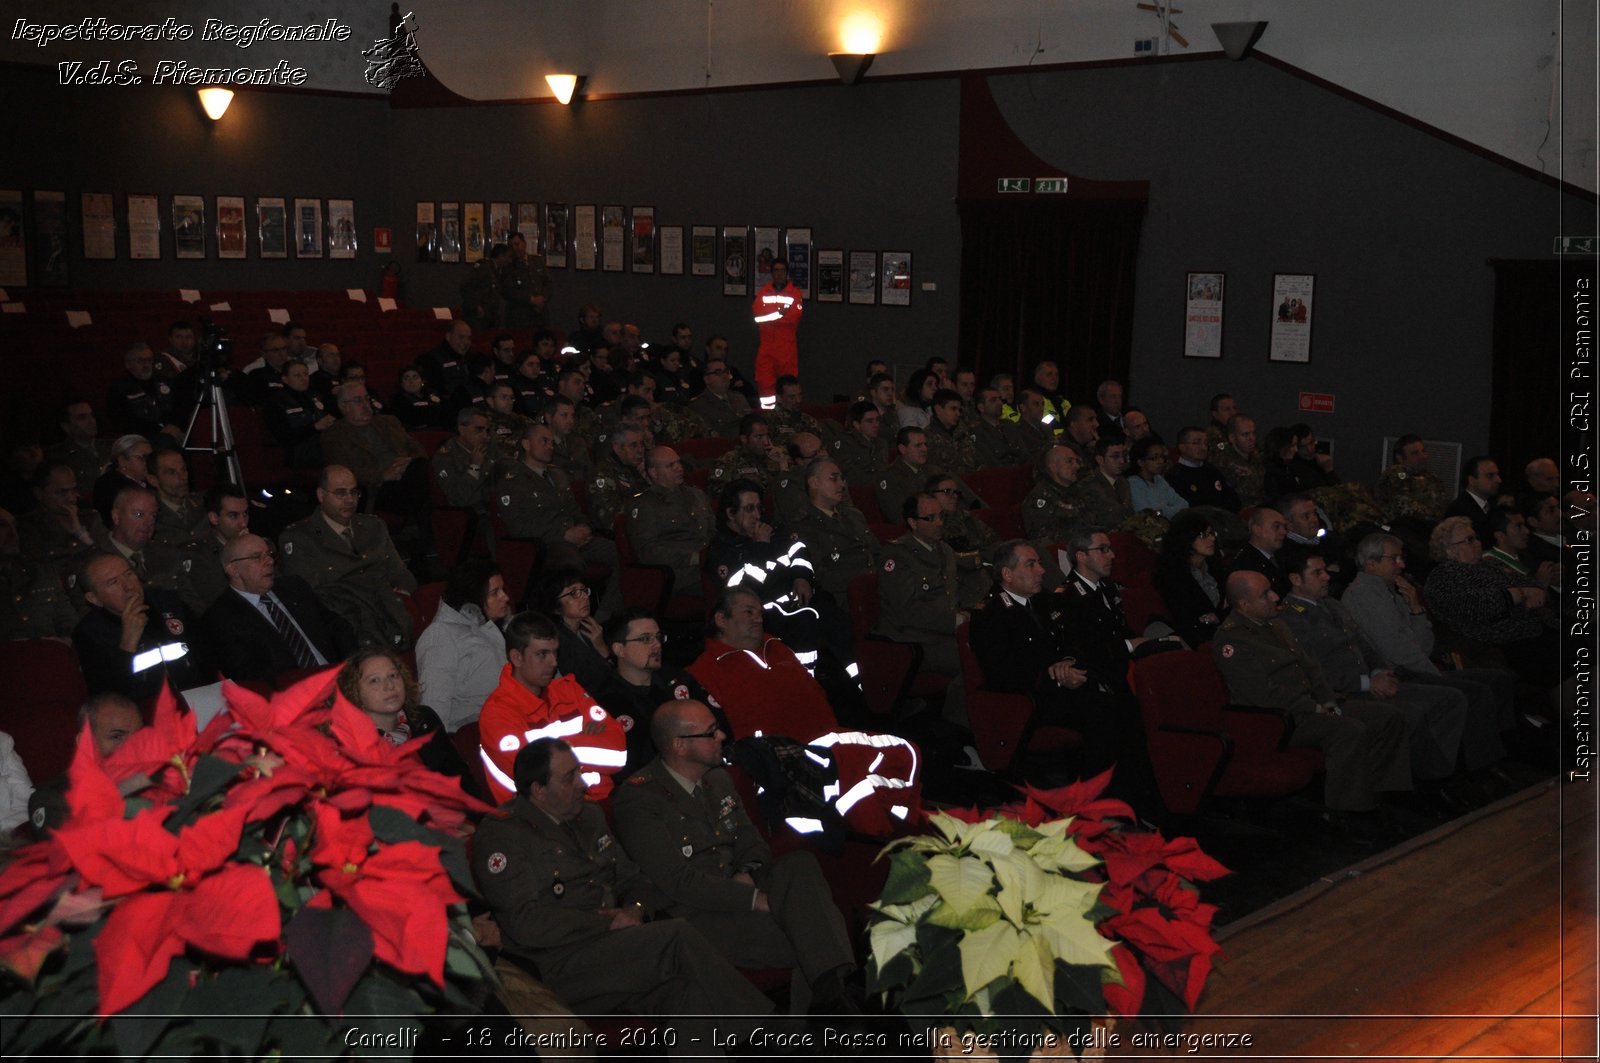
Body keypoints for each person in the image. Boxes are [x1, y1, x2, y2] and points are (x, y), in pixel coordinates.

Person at [471, 738, 783, 1042]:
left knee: (685, 994)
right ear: (538, 790)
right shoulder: (503, 834)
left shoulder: (588, 817)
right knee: (675, 936)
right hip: (559, 966)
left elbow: (635, 880)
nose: (583, 784)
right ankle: (772, 1035)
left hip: (616, 950)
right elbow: (525, 924)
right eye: (570, 778)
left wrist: (635, 909)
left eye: (580, 772)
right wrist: (607, 921)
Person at [611, 700, 859, 1013]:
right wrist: (752, 898)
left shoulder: (718, 778)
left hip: (739, 883)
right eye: (710, 733)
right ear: (679, 745)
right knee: (810, 937)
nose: (722, 736)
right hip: (696, 912)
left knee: (800, 865)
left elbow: (751, 840)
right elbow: (677, 881)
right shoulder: (640, 798)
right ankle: (829, 1014)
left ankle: (828, 1010)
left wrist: (748, 871)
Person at [1213, 571, 1412, 831]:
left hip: (1311, 706)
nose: (1275, 596)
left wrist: (1328, 701)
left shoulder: (1277, 625)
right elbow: (1262, 694)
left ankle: (1386, 794)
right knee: (1348, 731)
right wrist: (1316, 708)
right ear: (1244, 605)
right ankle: (1350, 814)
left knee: (1387, 717)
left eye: (1271, 589)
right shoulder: (1232, 640)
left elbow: (1311, 669)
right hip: (1277, 720)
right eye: (1265, 595)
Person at [1277, 546, 1487, 785]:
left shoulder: (1332, 605)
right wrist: (1367, 682)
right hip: (1344, 693)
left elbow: (1364, 646)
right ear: (1295, 579)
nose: (1327, 577)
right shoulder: (1289, 618)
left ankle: (1448, 774)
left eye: (1325, 570)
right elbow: (1315, 671)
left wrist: (1378, 671)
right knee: (1412, 714)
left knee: (1450, 699)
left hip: (1374, 681)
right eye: (1317, 573)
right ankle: (1422, 783)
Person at [969, 540, 1150, 800]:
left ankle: (1133, 794)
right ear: (1007, 574)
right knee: (1103, 710)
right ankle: (1096, 798)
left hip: (1061, 687)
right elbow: (1002, 673)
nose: (1041, 570)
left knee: (1123, 700)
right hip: (1030, 699)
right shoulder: (991, 614)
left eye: (1040, 563)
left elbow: (1068, 642)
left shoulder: (1043, 602)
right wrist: (1053, 673)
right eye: (1031, 565)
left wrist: (1066, 661)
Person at [1341, 531, 1517, 741]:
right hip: (1399, 672)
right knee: (1473, 692)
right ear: (1371, 564)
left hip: (1416, 666)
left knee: (1498, 679)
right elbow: (1397, 651)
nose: (1401, 565)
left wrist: (1416, 610)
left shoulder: (1393, 592)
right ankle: (1482, 763)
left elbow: (1424, 645)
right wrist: (1433, 674)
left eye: (1401, 558)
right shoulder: (1363, 595)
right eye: (1394, 559)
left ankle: (1506, 747)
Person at [477, 612, 627, 804]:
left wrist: (554, 752)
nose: (554, 662)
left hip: (602, 801)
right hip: (543, 817)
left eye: (555, 652)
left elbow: (618, 753)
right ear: (517, 657)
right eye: (542, 654)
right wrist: (587, 741)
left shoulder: (568, 688)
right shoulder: (497, 713)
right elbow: (533, 778)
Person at [278, 465, 418, 649]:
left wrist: (396, 600)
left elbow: (401, 574)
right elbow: (310, 598)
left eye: (354, 492)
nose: (349, 500)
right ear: (321, 495)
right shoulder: (300, 538)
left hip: (390, 612)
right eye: (340, 493)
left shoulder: (373, 527)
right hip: (347, 627)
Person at [1423, 515, 1561, 689]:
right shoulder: (1443, 577)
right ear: (1450, 550)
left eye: (1477, 538)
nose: (1478, 543)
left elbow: (1533, 585)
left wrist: (1533, 592)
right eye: (1469, 540)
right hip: (1502, 642)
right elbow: (1482, 605)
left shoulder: (1488, 565)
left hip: (1535, 626)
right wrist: (1522, 594)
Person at [499, 423, 622, 617]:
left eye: (551, 442)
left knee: (621, 552)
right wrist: (563, 534)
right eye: (544, 441)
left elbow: (573, 509)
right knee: (571, 563)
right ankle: (571, 621)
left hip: (575, 537)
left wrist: (583, 526)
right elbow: (519, 527)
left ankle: (605, 616)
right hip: (548, 544)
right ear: (526, 444)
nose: (550, 446)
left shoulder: (557, 474)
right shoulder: (513, 480)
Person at [595, 610, 722, 775]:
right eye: (646, 639)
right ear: (620, 649)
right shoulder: (606, 701)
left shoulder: (677, 680)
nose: (656, 645)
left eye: (658, 637)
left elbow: (717, 720)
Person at [875, 492, 965, 722]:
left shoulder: (944, 550)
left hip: (946, 635)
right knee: (975, 659)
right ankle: (956, 728)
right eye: (930, 518)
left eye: (941, 516)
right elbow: (907, 612)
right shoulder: (896, 555)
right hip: (915, 639)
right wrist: (954, 621)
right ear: (913, 523)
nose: (939, 523)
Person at [73, 551, 211, 699]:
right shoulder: (90, 634)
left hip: (198, 697)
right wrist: (127, 645)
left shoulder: (168, 603)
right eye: (113, 582)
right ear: (94, 598)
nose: (128, 586)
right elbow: (108, 696)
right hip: (145, 713)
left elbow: (207, 655)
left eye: (129, 574)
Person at [337, 647, 474, 788]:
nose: (389, 686)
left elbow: (462, 778)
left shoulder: (425, 719)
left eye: (393, 676)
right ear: (354, 692)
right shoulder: (349, 746)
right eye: (374, 681)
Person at [415, 559, 511, 734]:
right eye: (495, 592)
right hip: (472, 736)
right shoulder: (440, 638)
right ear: (473, 597)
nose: (505, 597)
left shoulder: (487, 626)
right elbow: (434, 709)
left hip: (504, 723)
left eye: (502, 590)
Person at [784, 458, 878, 603]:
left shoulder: (853, 515)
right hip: (845, 597)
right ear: (814, 483)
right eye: (834, 479)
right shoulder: (804, 525)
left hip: (877, 587)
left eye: (841, 479)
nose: (842, 484)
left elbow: (876, 551)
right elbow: (823, 575)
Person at [628, 446, 715, 601]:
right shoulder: (645, 505)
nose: (678, 468)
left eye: (678, 463)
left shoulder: (696, 495)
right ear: (654, 473)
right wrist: (690, 557)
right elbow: (648, 551)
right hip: (682, 573)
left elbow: (713, 530)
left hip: (709, 564)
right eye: (670, 466)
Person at [0, 506, 77, 640]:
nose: (13, 534)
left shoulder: (40, 572)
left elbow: (69, 623)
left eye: (14, 526)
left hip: (49, 654)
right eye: (2, 527)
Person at [1153, 510, 1228, 646]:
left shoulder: (1215, 566)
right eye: (1203, 535)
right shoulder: (1173, 575)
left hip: (1227, 628)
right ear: (1187, 538)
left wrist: (1218, 616)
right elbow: (1187, 619)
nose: (1212, 539)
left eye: (1211, 533)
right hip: (1202, 638)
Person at [18, 463, 104, 568]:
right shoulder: (28, 528)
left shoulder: (91, 519)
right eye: (61, 492)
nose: (71, 498)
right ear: (39, 493)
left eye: (73, 490)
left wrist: (80, 532)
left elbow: (105, 557)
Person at [750, 259, 804, 405]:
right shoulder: (764, 292)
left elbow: (793, 318)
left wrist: (770, 316)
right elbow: (757, 317)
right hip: (766, 350)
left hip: (786, 351)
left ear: (786, 273)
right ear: (771, 273)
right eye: (776, 270)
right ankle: (768, 419)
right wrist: (780, 314)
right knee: (765, 386)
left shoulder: (794, 293)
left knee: (789, 389)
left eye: (782, 270)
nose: (779, 273)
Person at [265, 359, 336, 468]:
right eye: (297, 375)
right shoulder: (277, 402)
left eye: (305, 374)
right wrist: (314, 427)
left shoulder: (315, 396)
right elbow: (284, 437)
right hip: (297, 450)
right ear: (285, 379)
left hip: (322, 442)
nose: (303, 379)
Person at [106, 342, 184, 439]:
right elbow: (123, 421)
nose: (146, 365)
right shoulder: (119, 389)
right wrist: (160, 432)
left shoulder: (165, 382)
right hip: (142, 438)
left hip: (174, 434)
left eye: (149, 360)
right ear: (128, 364)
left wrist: (176, 426)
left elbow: (180, 407)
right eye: (140, 361)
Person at [1375, 434, 1449, 529]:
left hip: (1429, 530)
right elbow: (1404, 508)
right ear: (1400, 458)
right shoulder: (1395, 475)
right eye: (1415, 453)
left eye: (1423, 451)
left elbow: (1443, 506)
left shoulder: (1432, 478)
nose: (1422, 456)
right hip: (1400, 530)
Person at [706, 413, 789, 497]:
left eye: (767, 436)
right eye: (759, 437)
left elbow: (786, 490)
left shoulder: (774, 458)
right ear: (744, 439)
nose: (766, 442)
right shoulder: (728, 461)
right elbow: (718, 496)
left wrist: (783, 464)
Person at [586, 425, 648, 533]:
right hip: (621, 533)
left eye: (642, 444)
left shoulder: (641, 468)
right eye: (633, 445)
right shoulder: (603, 473)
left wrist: (650, 480)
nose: (640, 450)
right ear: (618, 448)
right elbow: (608, 517)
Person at [1165, 426, 1241, 512]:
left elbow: (1233, 500)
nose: (1203, 448)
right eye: (1196, 443)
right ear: (1182, 447)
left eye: (1206, 443)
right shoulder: (1175, 476)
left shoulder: (1212, 471)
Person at [1021, 444, 1083, 549]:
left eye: (1076, 461)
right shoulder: (1039, 498)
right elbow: (1044, 539)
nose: (1077, 466)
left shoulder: (1078, 490)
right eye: (1069, 461)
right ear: (1053, 467)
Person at [45, 399, 108, 502]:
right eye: (82, 418)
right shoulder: (57, 456)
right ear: (66, 426)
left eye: (91, 415)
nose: (91, 421)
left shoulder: (111, 447)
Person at [1068, 437, 1134, 529]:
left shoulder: (1123, 482)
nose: (1122, 461)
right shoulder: (1087, 486)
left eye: (1124, 455)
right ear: (1100, 460)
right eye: (1115, 456)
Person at [148, 448, 207, 550]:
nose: (182, 477)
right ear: (153, 480)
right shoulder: (150, 515)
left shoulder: (203, 504)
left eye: (183, 470)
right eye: (171, 472)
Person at [92, 434, 152, 527]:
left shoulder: (150, 481)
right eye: (142, 458)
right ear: (122, 460)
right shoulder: (110, 485)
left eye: (150, 458)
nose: (148, 463)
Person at [1230, 507, 1290, 596]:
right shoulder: (1245, 564)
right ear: (1257, 530)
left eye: (1284, 527)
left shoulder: (1284, 555)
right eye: (1276, 527)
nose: (1283, 532)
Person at [687, 357, 751, 439]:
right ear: (707, 379)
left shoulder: (739, 397)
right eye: (718, 372)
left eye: (726, 371)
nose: (724, 376)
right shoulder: (698, 405)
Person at [1126, 435, 1188, 519]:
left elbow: (1184, 504)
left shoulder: (1159, 479)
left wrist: (1162, 511)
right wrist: (1166, 511)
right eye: (1154, 458)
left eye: (1162, 457)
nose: (1161, 461)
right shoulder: (1133, 483)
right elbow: (1147, 514)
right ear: (1140, 462)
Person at [830, 400, 889, 485]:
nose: (876, 425)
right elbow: (848, 476)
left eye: (877, 420)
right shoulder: (844, 442)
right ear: (857, 424)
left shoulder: (881, 443)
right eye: (870, 421)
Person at [1213, 415, 1265, 509]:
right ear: (1232, 438)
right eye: (1245, 435)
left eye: (1254, 433)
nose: (1251, 438)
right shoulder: (1224, 461)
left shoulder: (1257, 457)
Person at [1444, 456, 1504, 535]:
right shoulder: (1459, 511)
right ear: (1472, 480)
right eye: (1490, 475)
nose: (1498, 480)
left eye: (1497, 475)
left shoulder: (1494, 506)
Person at [924, 388, 977, 475]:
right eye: (953, 409)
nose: (958, 413)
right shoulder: (926, 437)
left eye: (959, 410)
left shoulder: (963, 433)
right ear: (938, 409)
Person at [419, 319, 473, 399]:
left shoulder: (470, 358)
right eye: (461, 337)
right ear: (448, 336)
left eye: (469, 338)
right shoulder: (431, 359)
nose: (466, 342)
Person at [460, 242, 508, 331]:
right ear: (501, 256)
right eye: (507, 257)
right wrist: (476, 306)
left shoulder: (496, 270)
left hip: (490, 314)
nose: (509, 260)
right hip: (479, 316)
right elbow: (466, 285)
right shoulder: (484, 267)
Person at [390, 365, 449, 430]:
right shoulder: (397, 400)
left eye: (415, 378)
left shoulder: (432, 395)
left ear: (422, 381)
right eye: (406, 378)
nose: (411, 381)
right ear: (401, 383)